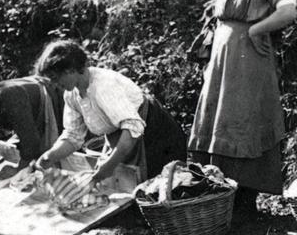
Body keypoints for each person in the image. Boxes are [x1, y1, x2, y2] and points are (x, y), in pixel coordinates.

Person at [187, 0, 297, 216]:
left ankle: (246, 200)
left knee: (243, 118)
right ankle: (218, 193)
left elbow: (288, 11)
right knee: (219, 118)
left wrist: (256, 29)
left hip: (249, 60)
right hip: (222, 59)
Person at [33, 40, 186, 186]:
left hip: (156, 136)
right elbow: (73, 136)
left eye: (55, 77)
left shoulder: (103, 85)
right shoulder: (72, 95)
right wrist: (49, 157)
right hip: (123, 137)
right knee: (121, 185)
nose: (54, 84)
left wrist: (109, 166)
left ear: (70, 69)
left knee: (155, 188)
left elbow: (133, 127)